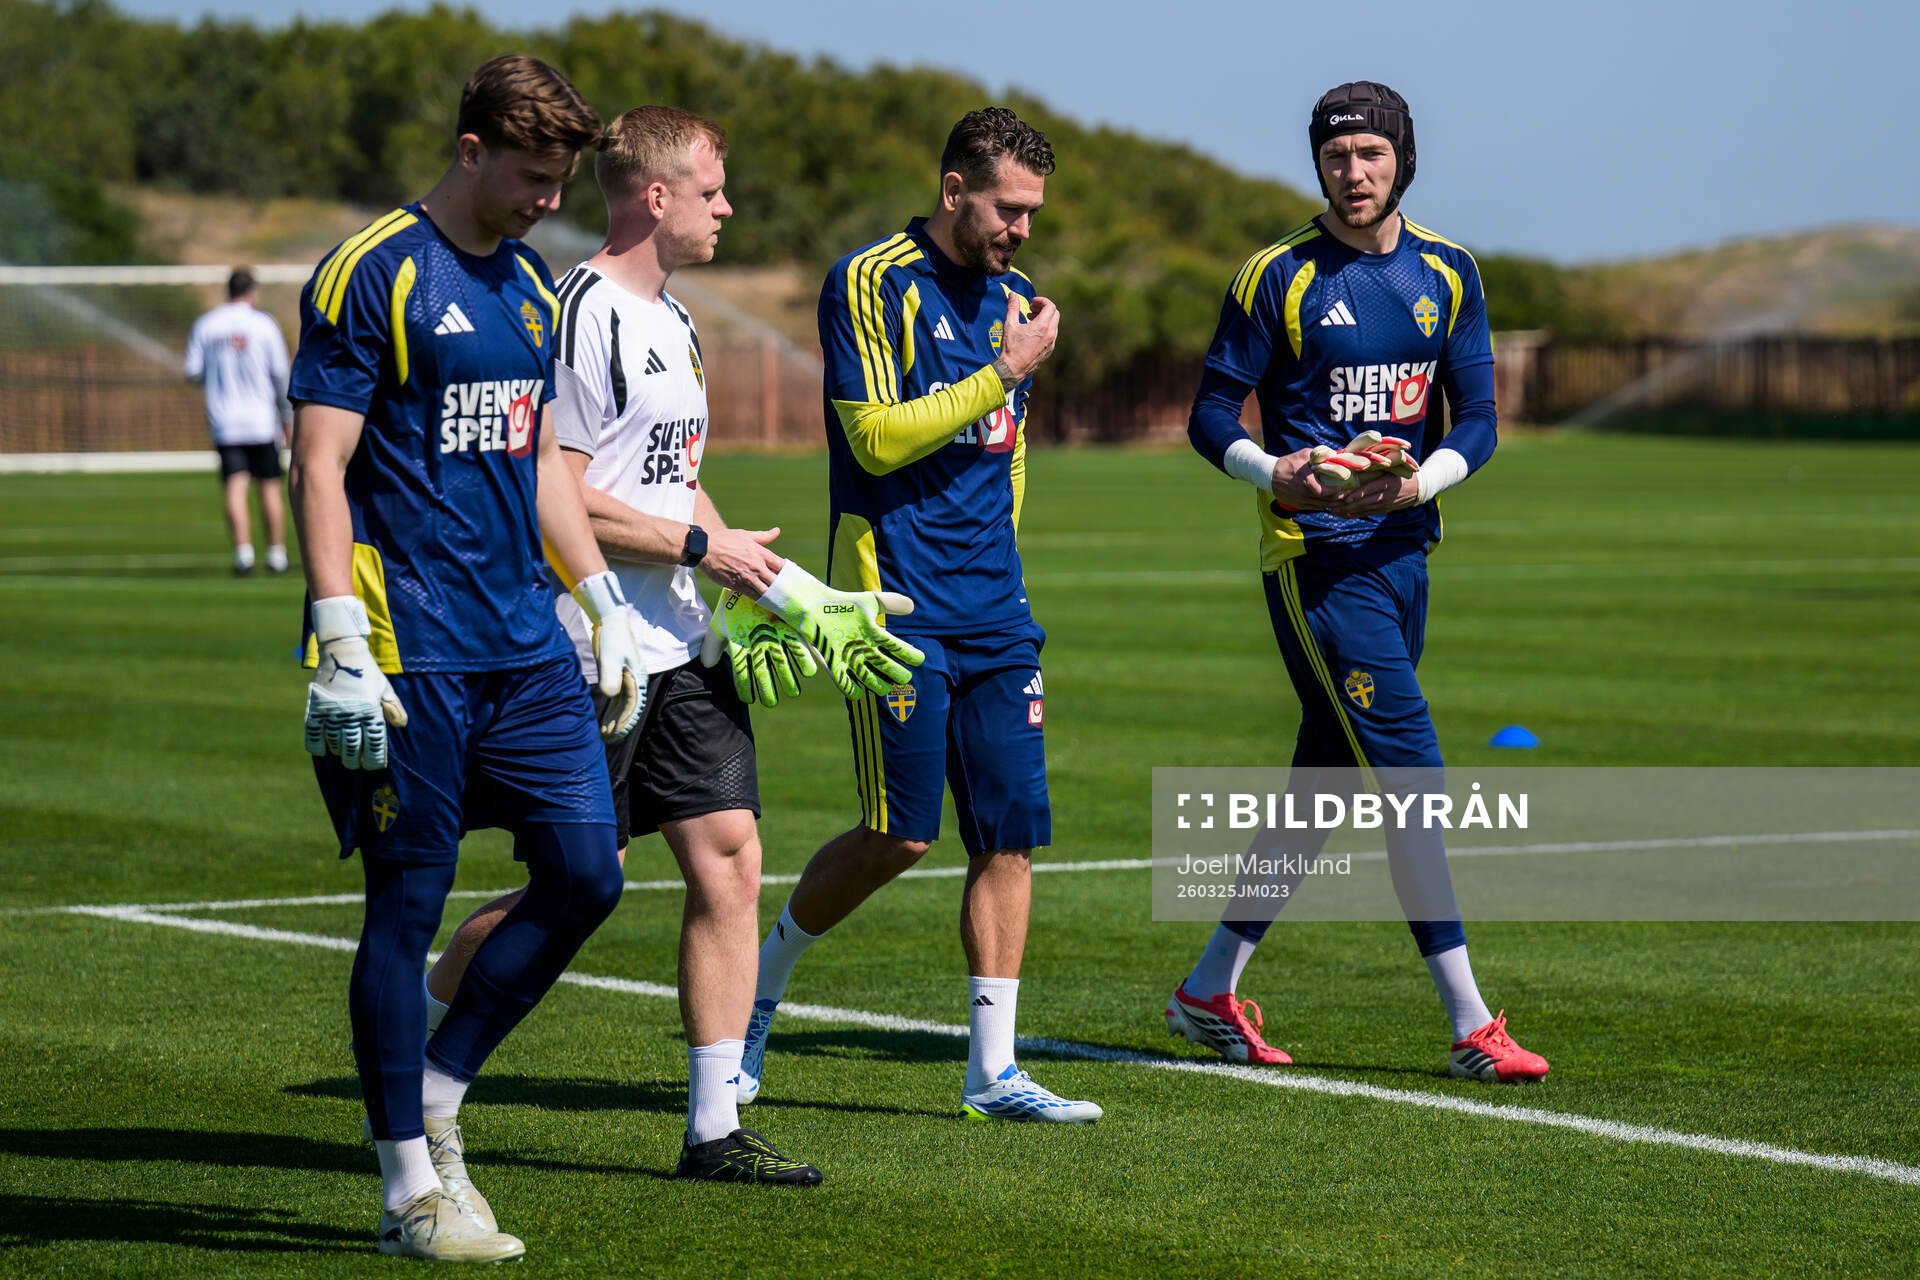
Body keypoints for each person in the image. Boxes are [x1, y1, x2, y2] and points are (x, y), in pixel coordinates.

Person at [415, 105, 913, 1185]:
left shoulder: (678, 320)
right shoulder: (578, 313)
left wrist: (779, 591)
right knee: (574, 884)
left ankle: (713, 1129)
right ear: (656, 196)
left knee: (731, 856)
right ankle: (415, 1030)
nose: (727, 208)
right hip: (585, 650)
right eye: (712, 190)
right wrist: (699, 547)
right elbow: (556, 498)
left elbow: (675, 482)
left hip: (684, 644)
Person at [289, 55, 648, 1262]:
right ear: (470, 149)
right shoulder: (372, 270)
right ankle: (408, 1187)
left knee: (587, 874)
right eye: (533, 177)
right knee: (408, 905)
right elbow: (320, 464)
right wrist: (339, 636)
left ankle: (439, 1093)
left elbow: (539, 460)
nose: (550, 200)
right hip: (407, 648)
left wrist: (600, 598)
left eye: (562, 182)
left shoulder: (536, 286)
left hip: (524, 642)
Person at [1169, 81, 1549, 1084]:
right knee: (1411, 777)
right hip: (1317, 560)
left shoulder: (1449, 272)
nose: (1353, 171)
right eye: (1336, 156)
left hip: (1404, 553)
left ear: (1402, 160)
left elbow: (1479, 419)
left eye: (1371, 153)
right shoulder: (1278, 275)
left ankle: (1208, 989)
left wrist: (1421, 480)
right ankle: (1470, 1023)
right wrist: (1274, 470)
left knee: (1327, 781)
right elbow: (1209, 413)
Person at [738, 107, 1101, 1123]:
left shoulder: (1019, 302)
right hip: (891, 605)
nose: (1021, 228)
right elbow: (873, 438)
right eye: (1006, 208)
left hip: (997, 611)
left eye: (1033, 213)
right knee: (899, 835)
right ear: (953, 191)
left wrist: (1002, 560)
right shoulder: (870, 281)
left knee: (1008, 837)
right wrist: (1005, 370)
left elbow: (1009, 452)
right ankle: (756, 990)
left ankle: (994, 1070)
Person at [184, 268, 291, 575]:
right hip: (261, 421)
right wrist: (287, 417)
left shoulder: (207, 324)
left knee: (235, 484)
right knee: (269, 486)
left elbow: (193, 371)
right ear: (252, 291)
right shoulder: (264, 324)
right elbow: (280, 375)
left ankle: (244, 555)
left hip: (225, 421)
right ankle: (276, 555)